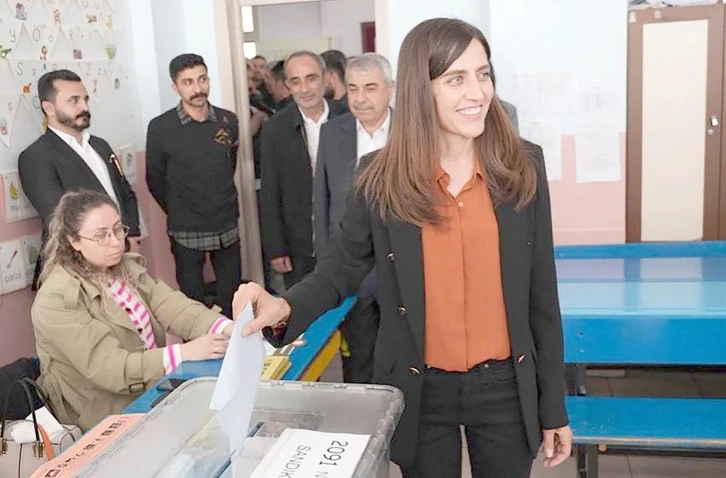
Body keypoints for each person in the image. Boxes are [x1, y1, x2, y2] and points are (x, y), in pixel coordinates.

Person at [235, 18, 572, 478]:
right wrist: (283, 307)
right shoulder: (380, 178)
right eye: (456, 79)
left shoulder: (522, 166)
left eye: (483, 74)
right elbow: (339, 269)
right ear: (420, 89)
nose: (477, 92)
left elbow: (542, 296)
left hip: (505, 387)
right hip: (420, 387)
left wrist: (553, 407)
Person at [32, 190, 234, 431]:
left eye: (118, 230)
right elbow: (111, 369)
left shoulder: (122, 266)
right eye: (101, 236)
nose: (116, 242)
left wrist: (226, 327)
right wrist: (185, 352)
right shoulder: (55, 300)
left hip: (148, 392)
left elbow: (172, 306)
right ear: (73, 241)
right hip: (104, 416)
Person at [19, 69, 141, 289]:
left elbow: (125, 194)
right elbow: (59, 218)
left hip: (120, 260)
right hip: (75, 273)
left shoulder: (100, 145)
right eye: (74, 100)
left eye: (85, 99)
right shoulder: (36, 156)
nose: (84, 107)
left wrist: (131, 237)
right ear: (48, 108)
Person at [313, 53, 394, 383]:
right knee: (358, 356)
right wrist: (326, 264)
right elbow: (322, 201)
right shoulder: (333, 132)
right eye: (353, 88)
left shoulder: (414, 130)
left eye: (370, 88)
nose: (360, 98)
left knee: (403, 353)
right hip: (352, 266)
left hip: (401, 264)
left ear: (390, 88)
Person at [146, 53, 241, 318]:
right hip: (185, 228)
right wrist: (180, 208)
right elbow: (154, 179)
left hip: (226, 223)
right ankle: (199, 343)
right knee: (191, 304)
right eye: (188, 82)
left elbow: (229, 164)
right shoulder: (161, 127)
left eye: (202, 79)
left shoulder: (228, 120)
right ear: (175, 87)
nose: (198, 88)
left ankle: (235, 341)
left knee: (233, 298)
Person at [259, 50, 346, 289]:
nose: (304, 89)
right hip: (299, 244)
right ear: (287, 85)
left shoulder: (346, 117)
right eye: (295, 82)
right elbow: (270, 192)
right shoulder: (275, 128)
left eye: (311, 78)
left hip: (345, 239)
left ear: (325, 78)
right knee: (303, 305)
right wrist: (276, 248)